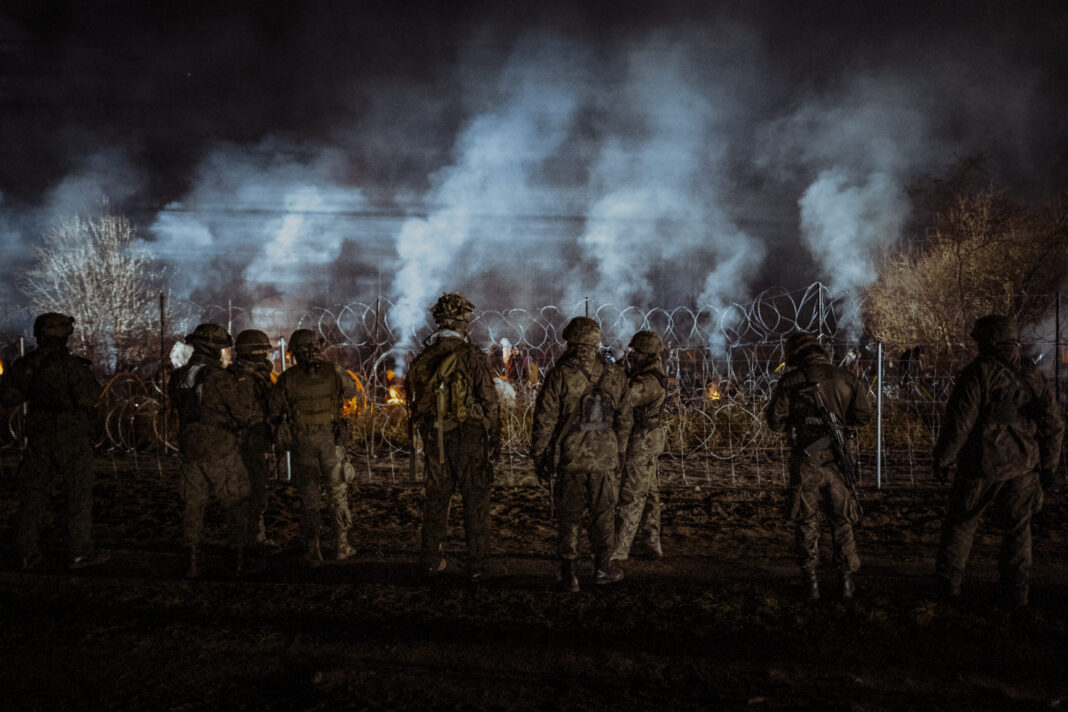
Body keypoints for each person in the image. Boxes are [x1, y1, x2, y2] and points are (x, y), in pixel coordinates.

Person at [933, 315, 1063, 606]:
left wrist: (943, 459)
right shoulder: (1033, 376)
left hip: (982, 466)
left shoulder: (978, 373)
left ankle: (948, 589)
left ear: (989, 341)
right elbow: (1054, 425)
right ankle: (1017, 594)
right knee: (1017, 530)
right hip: (1024, 469)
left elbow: (959, 424)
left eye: (979, 340)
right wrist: (1049, 468)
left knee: (961, 525)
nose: (976, 345)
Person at [765, 332, 872, 600]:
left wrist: (799, 421)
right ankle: (846, 581)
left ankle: (810, 580)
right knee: (842, 518)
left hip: (805, 459)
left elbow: (775, 421)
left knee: (806, 519)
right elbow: (863, 416)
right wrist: (838, 424)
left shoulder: (790, 381)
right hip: (837, 458)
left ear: (795, 354)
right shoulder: (845, 377)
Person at [532, 316, 632, 591]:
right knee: (604, 514)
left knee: (570, 515)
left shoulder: (561, 373)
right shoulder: (615, 374)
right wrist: (619, 451)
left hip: (570, 458)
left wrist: (539, 456)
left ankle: (568, 572)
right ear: (596, 341)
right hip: (605, 459)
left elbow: (545, 419)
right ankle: (603, 567)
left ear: (571, 341)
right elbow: (625, 419)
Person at [406, 293, 501, 581]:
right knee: (476, 501)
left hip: (437, 439)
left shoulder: (423, 359)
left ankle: (432, 560)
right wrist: (494, 437)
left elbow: (414, 403)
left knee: (436, 500)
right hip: (470, 440)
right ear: (463, 322)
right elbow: (490, 401)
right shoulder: (472, 356)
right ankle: (478, 565)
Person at [0, 313, 106, 570]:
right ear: (64, 336)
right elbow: (91, 399)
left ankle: (26, 551)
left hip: (38, 433)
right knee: (78, 494)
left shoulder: (27, 364)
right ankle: (79, 551)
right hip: (71, 434)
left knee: (33, 494)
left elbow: (9, 397)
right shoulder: (73, 366)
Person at [168, 323, 259, 578]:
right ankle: (239, 562)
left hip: (189, 446)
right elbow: (244, 414)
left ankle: (193, 564)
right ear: (216, 348)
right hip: (220, 447)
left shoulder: (178, 376)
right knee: (236, 501)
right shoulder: (221, 378)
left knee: (192, 506)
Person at [269, 328, 357, 567]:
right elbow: (351, 391)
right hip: (330, 442)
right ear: (318, 348)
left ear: (295, 352)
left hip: (303, 443)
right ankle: (341, 546)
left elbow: (274, 411)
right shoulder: (333, 371)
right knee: (337, 495)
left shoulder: (287, 378)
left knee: (309, 500)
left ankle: (313, 550)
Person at [609, 330, 669, 572]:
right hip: (648, 437)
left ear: (647, 353)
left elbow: (624, 400)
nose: (631, 355)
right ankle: (650, 542)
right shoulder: (646, 373)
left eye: (636, 352)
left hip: (643, 439)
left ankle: (619, 549)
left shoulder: (648, 381)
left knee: (631, 493)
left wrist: (613, 376)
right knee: (650, 493)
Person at [228, 329, 276, 548]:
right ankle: (250, 539)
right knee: (253, 492)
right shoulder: (245, 379)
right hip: (248, 444)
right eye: (262, 352)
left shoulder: (252, 377)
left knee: (252, 492)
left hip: (249, 442)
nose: (265, 357)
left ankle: (247, 537)